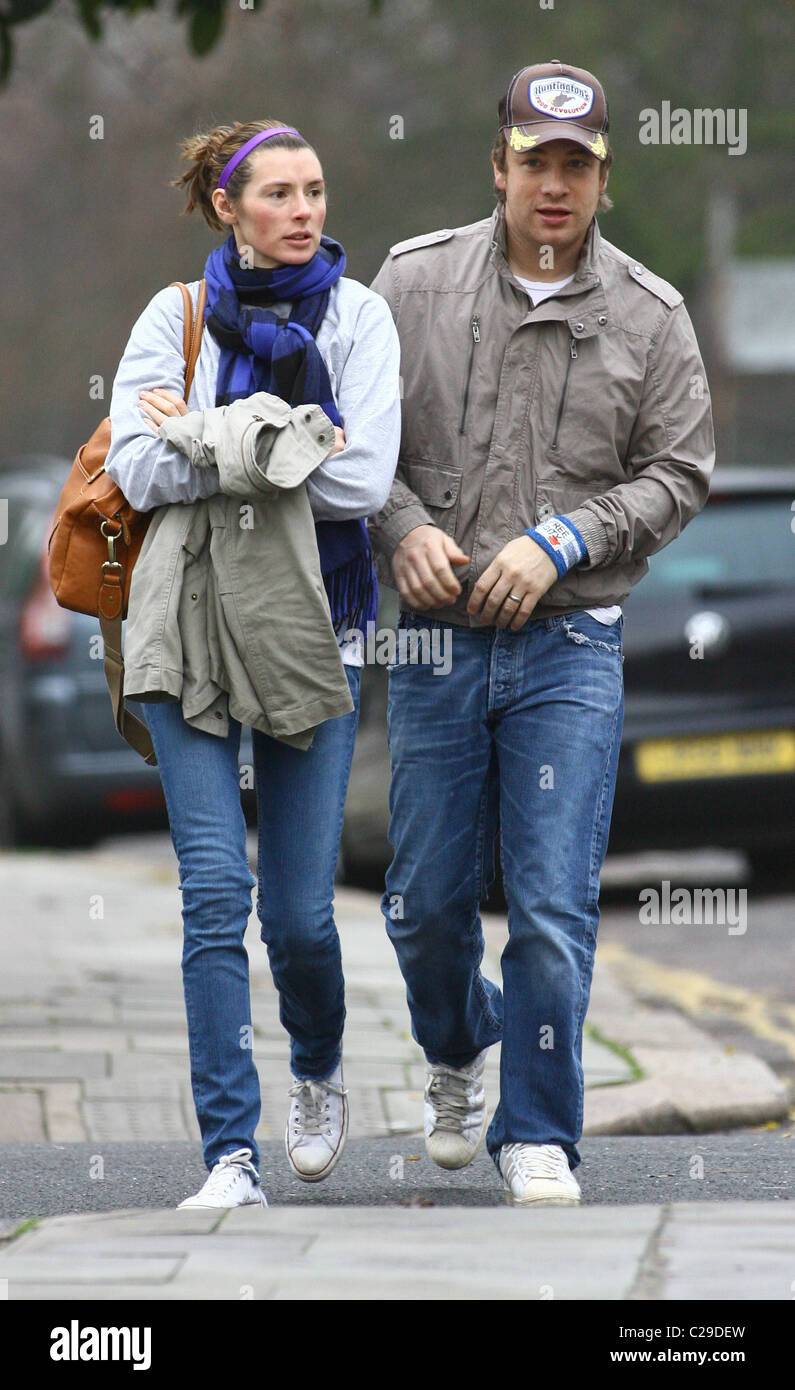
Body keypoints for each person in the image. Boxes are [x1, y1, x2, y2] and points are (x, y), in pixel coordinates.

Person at [368, 61, 715, 1205]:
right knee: (421, 904)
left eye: (577, 164)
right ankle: (460, 1042)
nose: (554, 184)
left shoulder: (652, 316)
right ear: (500, 167)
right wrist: (404, 527)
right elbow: (350, 445)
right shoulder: (410, 285)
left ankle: (540, 1133)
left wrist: (564, 539)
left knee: (553, 910)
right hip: (432, 644)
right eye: (535, 162)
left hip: (571, 649)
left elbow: (682, 472)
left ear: (603, 177)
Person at [104, 119, 401, 1208]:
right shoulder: (173, 318)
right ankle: (230, 1154)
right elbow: (135, 464)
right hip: (183, 630)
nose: (304, 210)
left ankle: (316, 1067)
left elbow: (362, 479)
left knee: (300, 918)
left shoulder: (361, 317)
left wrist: (207, 435)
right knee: (213, 895)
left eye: (315, 189)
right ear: (228, 209)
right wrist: (274, 442)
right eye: (277, 192)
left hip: (316, 632)